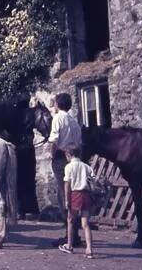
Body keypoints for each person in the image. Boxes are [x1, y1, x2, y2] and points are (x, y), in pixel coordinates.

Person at [49, 92, 83, 246]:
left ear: (58, 104)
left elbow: (54, 140)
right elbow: (79, 143)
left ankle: (70, 236)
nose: (54, 105)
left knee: (64, 195)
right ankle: (74, 233)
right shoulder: (74, 121)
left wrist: (51, 154)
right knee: (73, 193)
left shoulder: (58, 118)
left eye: (55, 103)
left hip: (61, 158)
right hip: (74, 158)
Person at [59, 146, 95, 259]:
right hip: (86, 194)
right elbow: (93, 179)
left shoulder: (68, 167)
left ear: (69, 155)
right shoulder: (87, 167)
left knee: (70, 220)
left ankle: (69, 245)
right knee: (85, 224)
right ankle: (89, 249)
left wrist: (66, 199)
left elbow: (67, 184)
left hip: (75, 194)